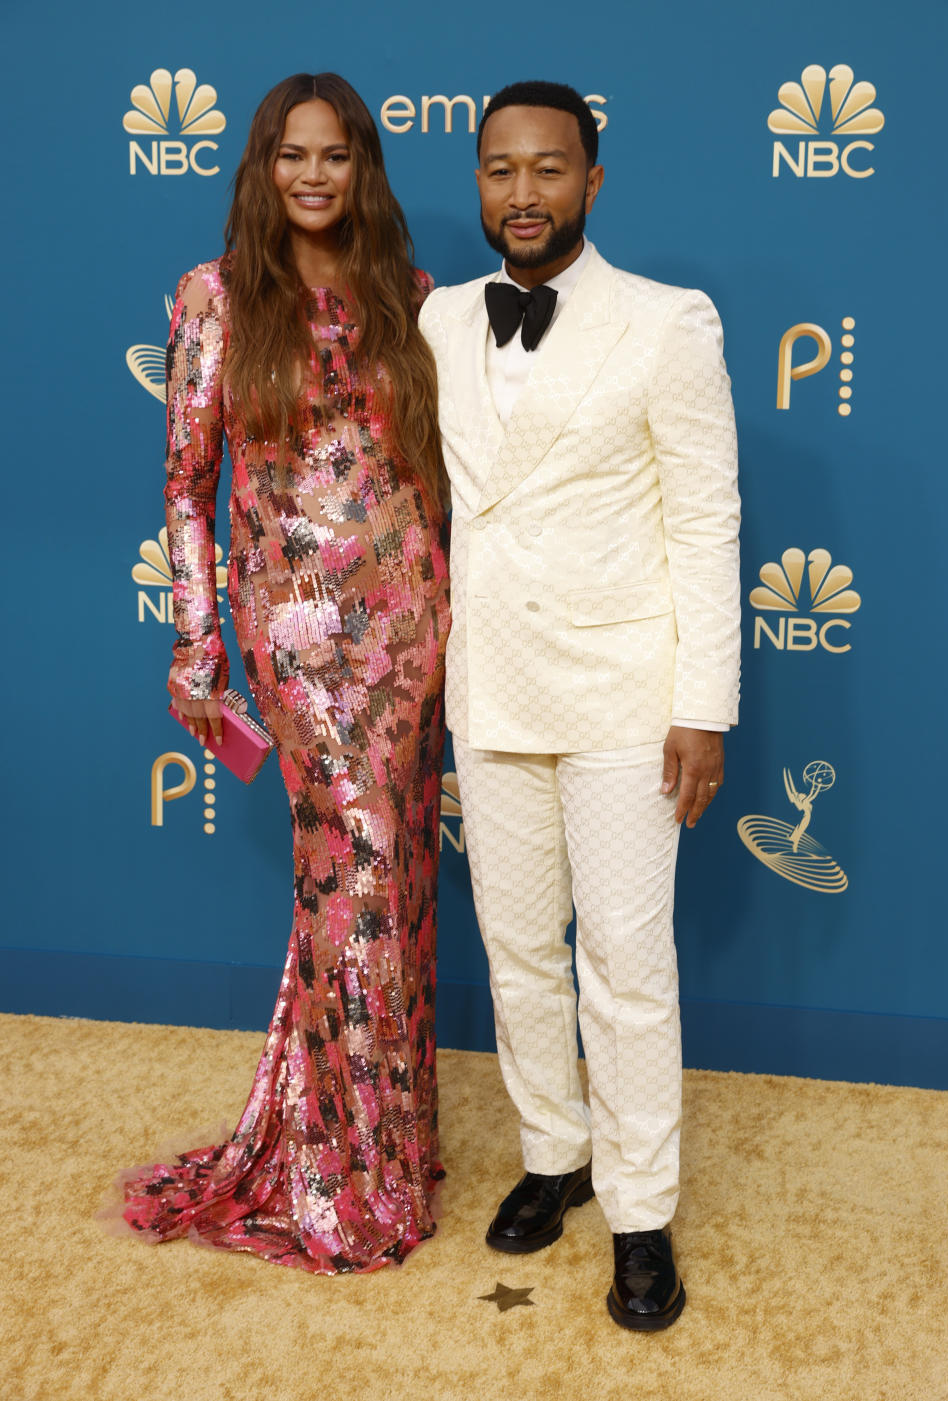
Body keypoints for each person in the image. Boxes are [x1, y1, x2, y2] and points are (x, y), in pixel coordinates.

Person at [418, 80, 740, 1328]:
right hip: (489, 688)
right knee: (515, 953)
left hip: (622, 696)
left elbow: (707, 519)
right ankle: (555, 1155)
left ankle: (641, 1207)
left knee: (626, 963)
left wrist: (701, 705)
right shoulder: (442, 319)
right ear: (481, 182)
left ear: (592, 183)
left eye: (549, 170)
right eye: (501, 170)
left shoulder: (668, 323)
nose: (523, 194)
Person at [120, 73, 451, 1274]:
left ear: (365, 168)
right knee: (350, 870)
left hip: (408, 618)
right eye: (292, 155)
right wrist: (199, 640)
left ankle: (388, 1153)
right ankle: (333, 1174)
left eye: (338, 156)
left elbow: (421, 473)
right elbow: (186, 484)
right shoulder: (213, 300)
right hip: (297, 635)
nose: (315, 176)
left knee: (399, 873)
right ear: (262, 169)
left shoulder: (406, 296)